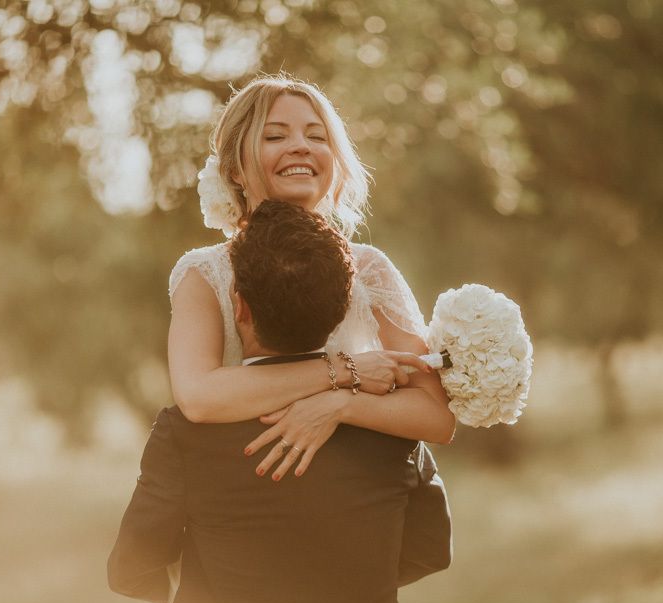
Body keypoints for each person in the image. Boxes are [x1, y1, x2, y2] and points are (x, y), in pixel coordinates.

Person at [108, 200, 431, 603]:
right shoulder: (389, 426)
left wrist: (191, 598)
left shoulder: (184, 434)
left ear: (237, 306)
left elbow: (132, 566)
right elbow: (429, 548)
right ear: (342, 312)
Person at [168, 74, 455, 482]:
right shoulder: (203, 274)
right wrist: (344, 371)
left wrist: (340, 406)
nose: (301, 146)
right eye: (275, 136)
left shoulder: (370, 268)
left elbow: (436, 418)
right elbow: (199, 398)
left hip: (360, 494)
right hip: (245, 497)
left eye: (317, 136)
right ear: (233, 170)